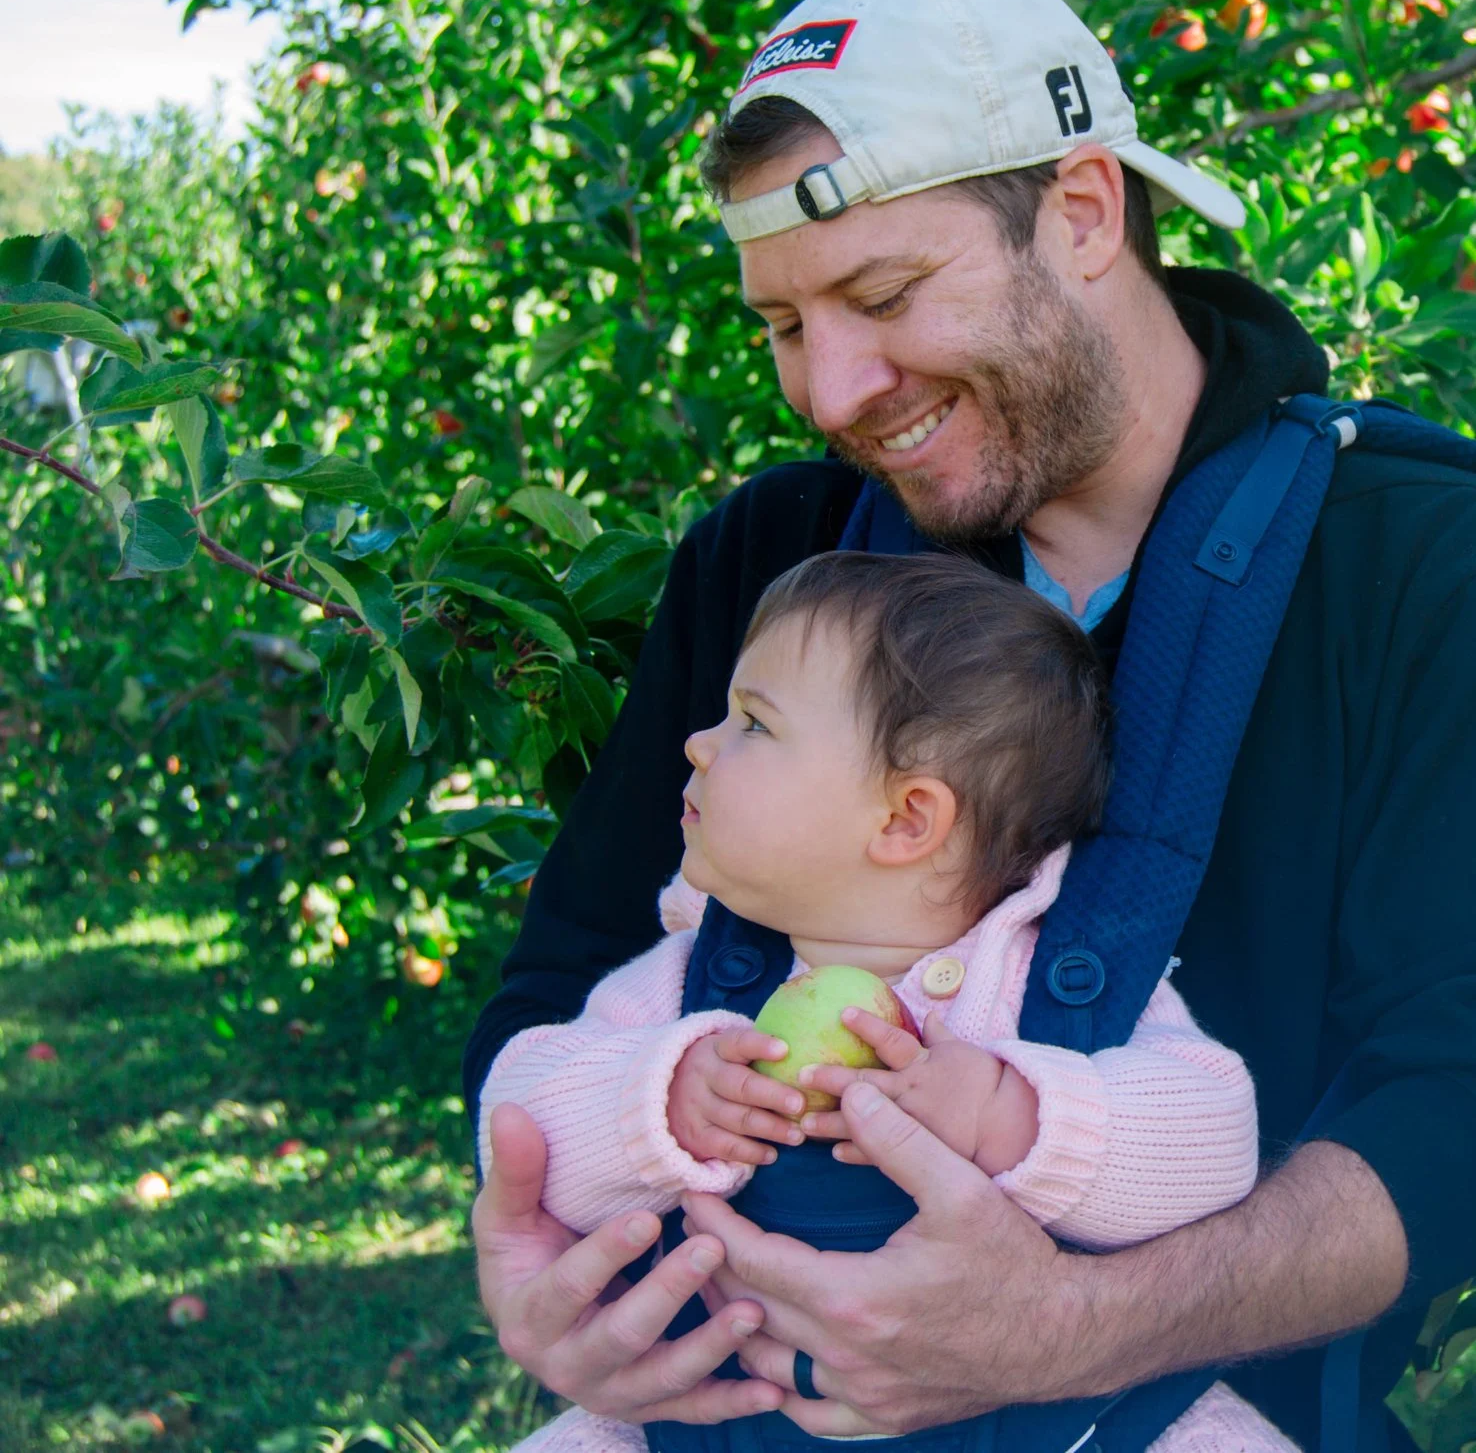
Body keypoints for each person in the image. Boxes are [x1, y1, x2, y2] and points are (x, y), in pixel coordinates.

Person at [466, 0, 1476, 1451]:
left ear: (1087, 211)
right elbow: (566, 978)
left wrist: (1076, 1327)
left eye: (884, 294)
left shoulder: (1441, 580)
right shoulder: (772, 563)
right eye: (785, 326)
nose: (833, 389)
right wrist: (534, 1258)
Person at [480, 551, 1293, 1453]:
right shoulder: (694, 984)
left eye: (752, 723)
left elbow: (1217, 1141)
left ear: (907, 819)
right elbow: (517, 1115)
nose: (698, 743)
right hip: (730, 1422)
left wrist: (1016, 1114)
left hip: (1064, 1429)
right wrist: (657, 1103)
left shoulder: (1056, 986)